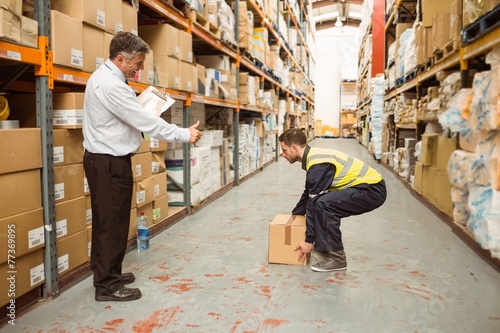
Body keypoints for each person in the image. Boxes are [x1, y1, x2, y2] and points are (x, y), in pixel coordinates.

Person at [83, 32, 202, 302]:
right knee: (113, 224)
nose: (141, 68)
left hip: (104, 160)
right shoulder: (112, 86)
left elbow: (130, 116)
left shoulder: (107, 78)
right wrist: (184, 134)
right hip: (108, 162)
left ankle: (105, 272)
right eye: (137, 62)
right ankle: (107, 286)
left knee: (106, 221)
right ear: (121, 58)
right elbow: (144, 122)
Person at [278, 129, 387, 272]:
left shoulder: (318, 164)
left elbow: (313, 202)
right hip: (365, 187)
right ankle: (325, 247)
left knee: (323, 204)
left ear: (294, 148)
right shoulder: (313, 157)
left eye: (284, 150)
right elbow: (308, 193)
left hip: (371, 190)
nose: (282, 154)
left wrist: (309, 240)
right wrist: (295, 217)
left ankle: (338, 258)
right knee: (320, 202)